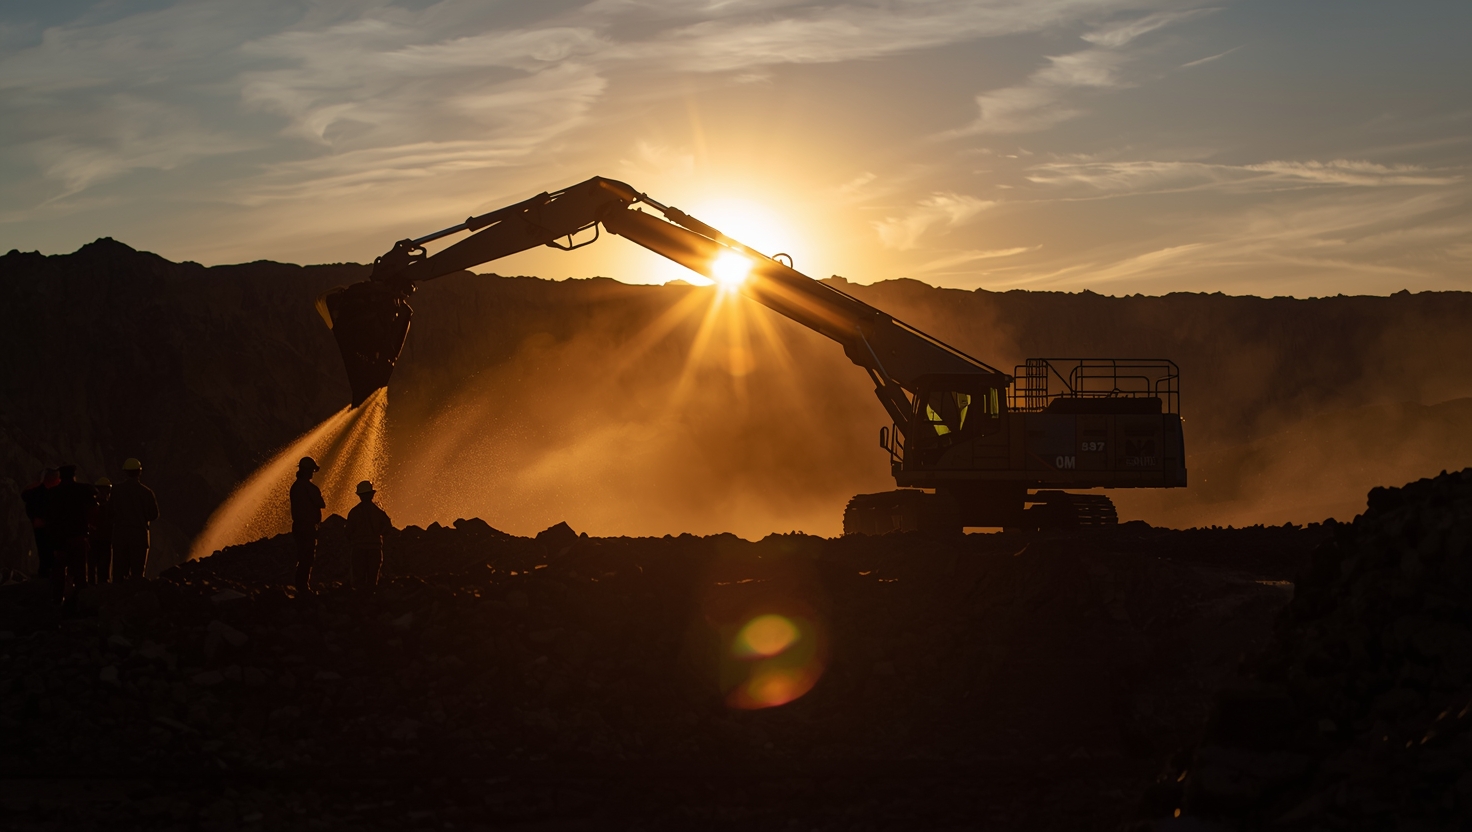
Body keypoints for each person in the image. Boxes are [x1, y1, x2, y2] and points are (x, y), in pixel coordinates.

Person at [52, 464, 97, 604]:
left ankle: (57, 602)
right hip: (78, 537)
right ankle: (80, 604)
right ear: (74, 476)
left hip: (59, 539)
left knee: (59, 573)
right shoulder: (83, 490)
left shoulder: (53, 493)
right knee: (80, 574)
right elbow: (94, 505)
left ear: (60, 477)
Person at [110, 458, 159, 580]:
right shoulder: (146, 492)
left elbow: (110, 512)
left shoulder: (116, 491)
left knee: (119, 573)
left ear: (125, 472)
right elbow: (154, 515)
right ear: (139, 472)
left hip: (120, 536)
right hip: (139, 536)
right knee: (137, 574)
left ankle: (117, 597)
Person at [345, 480, 392, 589]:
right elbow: (388, 528)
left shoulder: (354, 512)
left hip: (358, 548)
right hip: (374, 548)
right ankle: (370, 598)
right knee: (372, 577)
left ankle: (360, 600)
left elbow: (348, 532)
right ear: (372, 494)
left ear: (359, 495)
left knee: (359, 577)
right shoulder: (378, 512)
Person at [289, 456, 326, 593]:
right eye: (311, 470)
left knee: (302, 556)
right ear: (307, 471)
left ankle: (301, 586)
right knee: (307, 557)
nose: (312, 473)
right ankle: (303, 588)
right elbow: (321, 503)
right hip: (308, 527)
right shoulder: (309, 488)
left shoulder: (295, 487)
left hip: (298, 526)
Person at [20, 468, 60, 579]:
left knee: (43, 550)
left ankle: (45, 572)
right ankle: (47, 573)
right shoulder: (45, 493)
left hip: (40, 525)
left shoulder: (36, 492)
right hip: (46, 526)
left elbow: (25, 495)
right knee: (48, 550)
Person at [89, 477, 114, 584]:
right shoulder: (108, 506)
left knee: (92, 565)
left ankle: (92, 586)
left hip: (95, 539)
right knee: (101, 566)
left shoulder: (91, 504)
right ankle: (101, 586)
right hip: (103, 539)